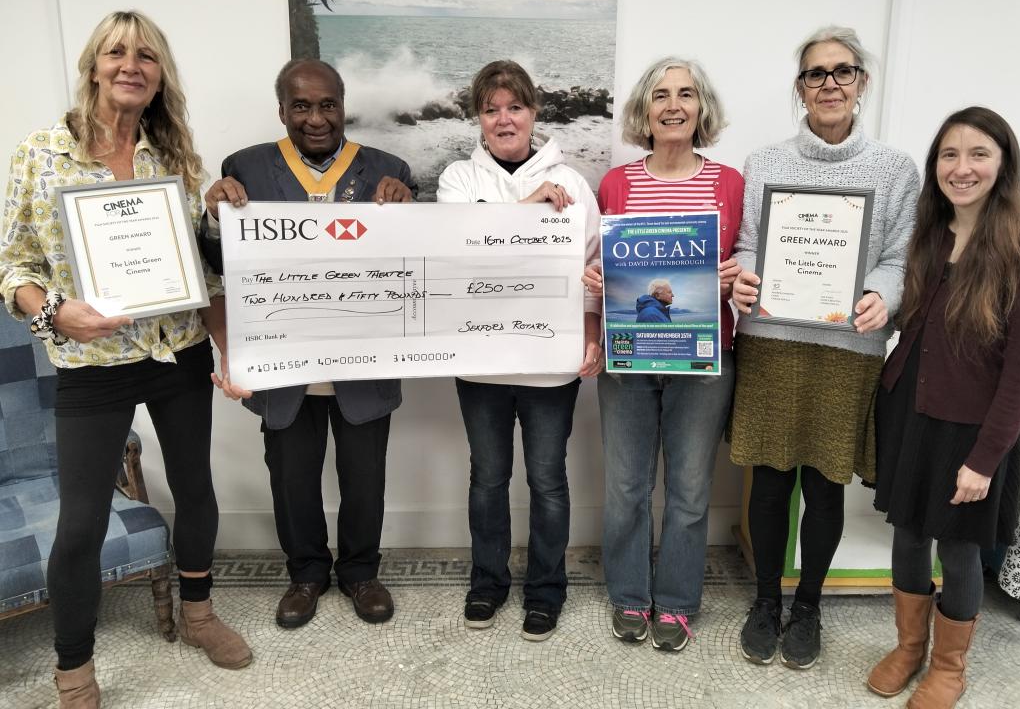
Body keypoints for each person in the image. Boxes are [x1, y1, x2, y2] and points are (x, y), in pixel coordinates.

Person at [0, 10, 250, 708]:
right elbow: (12, 265)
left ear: (160, 76)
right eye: (116, 52)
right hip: (93, 362)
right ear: (93, 66)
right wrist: (54, 313)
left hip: (177, 352)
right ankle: (73, 670)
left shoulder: (171, 159)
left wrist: (231, 349)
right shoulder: (40, 153)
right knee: (81, 521)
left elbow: (204, 275)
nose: (130, 65)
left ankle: (198, 614)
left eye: (146, 55)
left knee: (195, 489)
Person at [199, 59, 415, 630]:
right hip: (283, 363)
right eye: (301, 106)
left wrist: (408, 211)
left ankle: (361, 572)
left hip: (363, 362)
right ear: (282, 111)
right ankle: (306, 574)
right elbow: (221, 263)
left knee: (364, 478)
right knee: (291, 479)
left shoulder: (389, 171)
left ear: (343, 107)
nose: (316, 118)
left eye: (327, 105)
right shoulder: (245, 167)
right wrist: (215, 217)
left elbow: (415, 263)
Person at [730, 27, 921, 669]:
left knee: (826, 484)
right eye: (816, 73)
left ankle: (808, 605)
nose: (830, 84)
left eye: (843, 71)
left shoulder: (895, 169)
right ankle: (766, 600)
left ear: (862, 82)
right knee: (768, 482)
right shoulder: (765, 162)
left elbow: (900, 257)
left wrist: (883, 295)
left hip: (848, 347)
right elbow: (749, 244)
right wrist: (745, 277)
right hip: (773, 342)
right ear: (801, 87)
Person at [867, 107, 1020, 708]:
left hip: (972, 427)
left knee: (958, 548)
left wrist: (986, 458)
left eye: (978, 154)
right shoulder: (932, 229)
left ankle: (948, 667)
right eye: (949, 155)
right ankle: (908, 648)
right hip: (908, 409)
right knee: (907, 535)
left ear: (1003, 163)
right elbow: (912, 320)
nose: (962, 167)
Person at [436, 60, 603, 642]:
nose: (503, 119)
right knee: (487, 479)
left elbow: (593, 269)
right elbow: (458, 244)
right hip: (479, 363)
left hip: (550, 365)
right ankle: (487, 583)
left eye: (514, 107)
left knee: (548, 481)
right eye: (491, 109)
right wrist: (531, 205)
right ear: (478, 119)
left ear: (533, 112)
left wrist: (592, 335)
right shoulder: (459, 179)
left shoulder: (573, 183)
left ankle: (546, 590)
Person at [582, 57, 742, 651]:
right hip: (629, 359)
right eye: (661, 95)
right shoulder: (616, 184)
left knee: (690, 490)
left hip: (703, 359)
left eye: (686, 94)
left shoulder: (729, 183)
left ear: (702, 108)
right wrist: (597, 284)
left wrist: (733, 277)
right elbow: (606, 264)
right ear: (644, 110)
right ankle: (629, 593)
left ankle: (676, 601)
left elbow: (746, 259)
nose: (674, 105)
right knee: (626, 485)